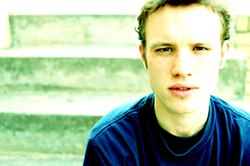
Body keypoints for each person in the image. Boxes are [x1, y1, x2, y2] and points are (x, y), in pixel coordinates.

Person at [83, 0, 250, 165]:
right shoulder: (110, 144)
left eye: (200, 48)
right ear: (144, 56)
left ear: (223, 54)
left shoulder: (245, 141)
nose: (182, 69)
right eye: (165, 49)